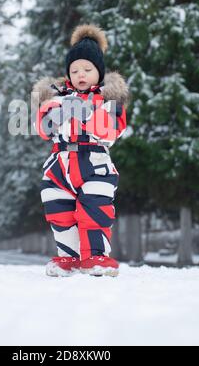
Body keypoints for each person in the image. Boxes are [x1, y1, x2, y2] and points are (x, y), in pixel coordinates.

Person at [32, 24, 130, 277]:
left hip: (94, 162)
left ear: (99, 72)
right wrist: (54, 112)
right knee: (59, 210)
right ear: (68, 74)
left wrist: (88, 112)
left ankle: (95, 256)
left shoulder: (109, 100)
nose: (81, 74)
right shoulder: (56, 98)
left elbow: (112, 130)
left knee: (95, 209)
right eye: (74, 70)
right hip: (60, 164)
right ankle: (69, 257)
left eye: (88, 69)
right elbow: (43, 129)